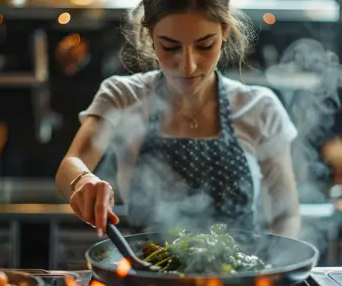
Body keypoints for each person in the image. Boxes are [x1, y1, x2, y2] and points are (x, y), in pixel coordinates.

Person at [55, 0, 302, 238]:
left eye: (205, 45)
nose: (187, 66)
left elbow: (286, 217)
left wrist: (273, 268)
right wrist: (83, 180)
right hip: (147, 272)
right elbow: (72, 162)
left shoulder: (260, 107)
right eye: (170, 47)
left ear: (224, 31)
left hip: (238, 276)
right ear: (151, 36)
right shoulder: (123, 96)